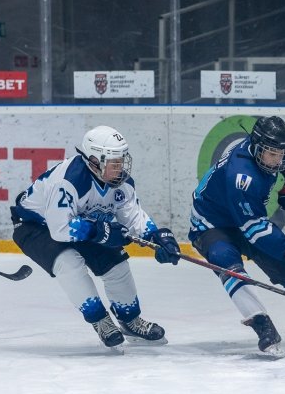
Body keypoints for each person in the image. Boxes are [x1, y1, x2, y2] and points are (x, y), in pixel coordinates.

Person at [10, 125, 181, 350]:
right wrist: (101, 232)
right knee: (69, 263)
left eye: (122, 160)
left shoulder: (122, 184)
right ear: (94, 160)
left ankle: (130, 321)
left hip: (83, 223)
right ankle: (100, 321)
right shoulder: (69, 181)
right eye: (114, 162)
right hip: (36, 227)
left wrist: (156, 236)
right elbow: (60, 229)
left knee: (117, 266)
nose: (120, 168)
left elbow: (132, 216)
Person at [188, 116, 285, 356]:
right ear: (256, 147)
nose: (277, 161)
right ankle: (261, 324)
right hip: (211, 223)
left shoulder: (270, 149)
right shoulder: (241, 174)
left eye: (281, 154)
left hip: (245, 217)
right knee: (227, 263)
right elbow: (253, 230)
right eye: (271, 155)